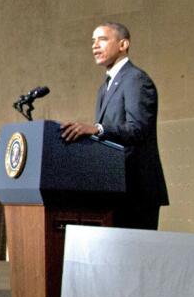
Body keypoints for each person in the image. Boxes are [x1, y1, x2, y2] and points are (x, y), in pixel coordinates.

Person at [60, 22, 168, 230]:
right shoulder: (105, 87)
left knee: (135, 259)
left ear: (123, 44)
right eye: (93, 41)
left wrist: (98, 129)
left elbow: (138, 129)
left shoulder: (136, 79)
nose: (94, 46)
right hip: (114, 187)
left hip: (136, 189)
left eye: (102, 39)